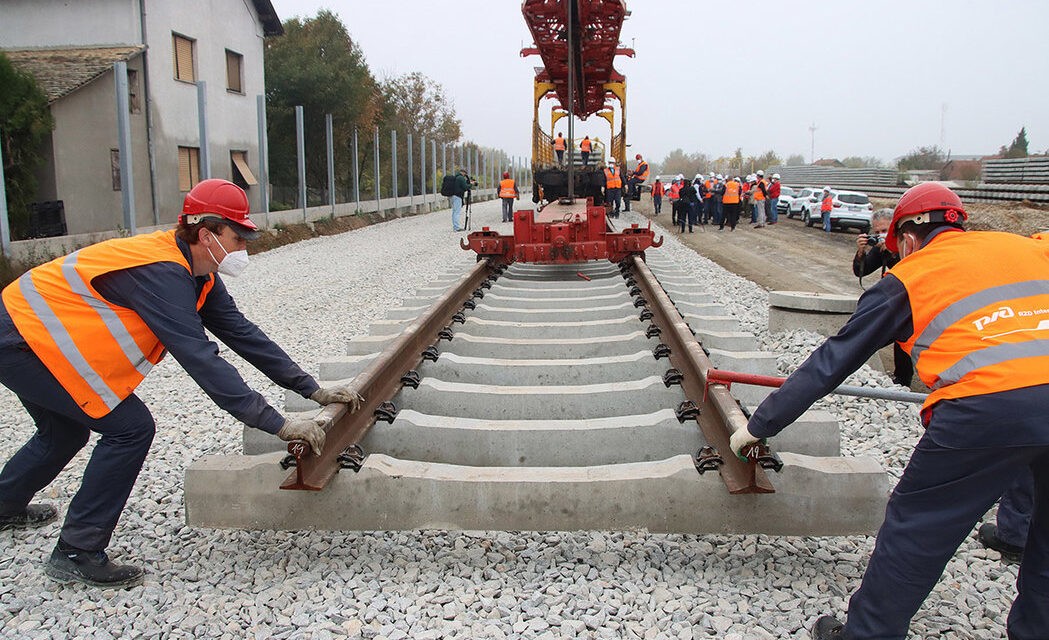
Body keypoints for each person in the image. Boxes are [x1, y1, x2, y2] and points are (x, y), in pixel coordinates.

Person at [0, 179, 363, 588]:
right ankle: (75, 549)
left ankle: (5, 504)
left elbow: (241, 333)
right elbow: (200, 358)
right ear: (207, 234)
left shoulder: (199, 274)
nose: (244, 248)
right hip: (22, 340)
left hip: (26, 332)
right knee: (130, 429)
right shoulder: (161, 274)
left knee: (63, 431)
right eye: (238, 238)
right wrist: (277, 424)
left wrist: (310, 388)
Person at [728, 182, 1049, 640]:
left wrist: (759, 426)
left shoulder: (912, 275)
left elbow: (832, 361)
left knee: (919, 525)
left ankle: (868, 634)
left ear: (910, 240)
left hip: (985, 407)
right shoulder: (1031, 248)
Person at [854, 208, 912, 387]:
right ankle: (901, 380)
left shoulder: (908, 243)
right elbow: (861, 271)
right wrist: (861, 252)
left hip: (915, 296)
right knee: (897, 333)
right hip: (896, 298)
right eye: (877, 232)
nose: (881, 235)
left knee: (905, 337)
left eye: (885, 231)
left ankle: (905, 378)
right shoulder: (881, 249)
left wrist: (896, 251)